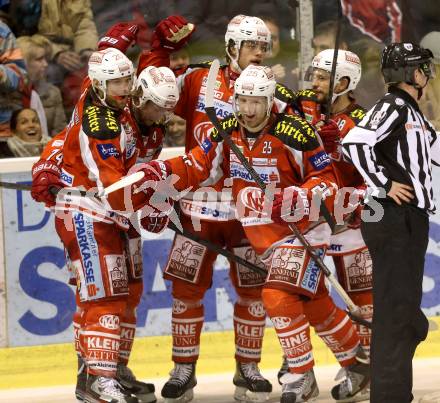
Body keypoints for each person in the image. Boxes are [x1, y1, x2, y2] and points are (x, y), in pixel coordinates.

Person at [133, 64, 369, 403]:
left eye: (257, 102)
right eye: (242, 100)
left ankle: (300, 375)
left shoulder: (295, 132)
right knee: (314, 303)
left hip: (305, 230)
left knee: (275, 296)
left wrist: (300, 196)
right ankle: (358, 361)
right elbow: (199, 166)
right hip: (266, 238)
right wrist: (161, 174)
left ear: (270, 101)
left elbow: (327, 179)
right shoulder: (227, 130)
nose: (248, 109)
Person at [137, 14, 283, 402]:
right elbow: (153, 91)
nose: (259, 54)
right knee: (186, 290)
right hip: (198, 206)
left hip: (247, 210)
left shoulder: (269, 88)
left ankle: (248, 369)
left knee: (253, 291)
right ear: (232, 46)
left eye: (264, 47)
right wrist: (158, 52)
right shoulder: (199, 79)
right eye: (252, 45)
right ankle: (183, 370)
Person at [31, 61, 182, 403]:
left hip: (117, 214)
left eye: (125, 81)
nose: (159, 114)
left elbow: (132, 179)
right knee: (103, 295)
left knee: (130, 292)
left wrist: (153, 200)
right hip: (87, 210)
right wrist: (152, 205)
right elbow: (114, 188)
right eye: (155, 106)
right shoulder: (103, 119)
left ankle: (111, 368)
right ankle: (98, 379)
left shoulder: (150, 124)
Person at [342, 42, 439, 403]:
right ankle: (391, 396)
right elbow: (355, 143)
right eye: (421, 68)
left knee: (404, 314)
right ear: (409, 73)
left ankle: (395, 391)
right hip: (392, 217)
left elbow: (435, 150)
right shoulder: (394, 106)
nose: (426, 74)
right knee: (398, 314)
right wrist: (384, 183)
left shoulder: (412, 113)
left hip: (407, 221)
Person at [292, 48, 371, 402]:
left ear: (343, 82)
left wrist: (342, 151)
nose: (315, 83)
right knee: (313, 297)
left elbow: (375, 178)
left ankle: (373, 367)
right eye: (315, 76)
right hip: (317, 226)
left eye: (323, 78)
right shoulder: (310, 112)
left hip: (351, 228)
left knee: (362, 300)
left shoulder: (363, 122)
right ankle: (325, 363)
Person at [17, 35, 67, 136]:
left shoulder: (53, 93)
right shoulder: (8, 94)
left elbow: (60, 133)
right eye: (39, 59)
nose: (45, 64)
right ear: (24, 62)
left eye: (45, 59)